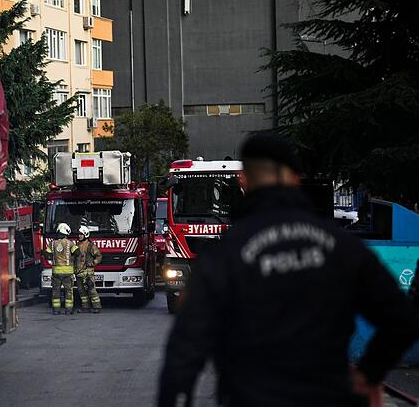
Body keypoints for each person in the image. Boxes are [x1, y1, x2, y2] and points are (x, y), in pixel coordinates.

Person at [158, 133, 419, 407]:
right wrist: (368, 374)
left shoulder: (225, 256)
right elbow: (402, 321)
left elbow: (184, 352)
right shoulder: (342, 248)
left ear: (245, 180)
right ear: (296, 179)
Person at [45, 223, 78, 315]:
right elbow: (77, 253)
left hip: (56, 272)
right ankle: (69, 310)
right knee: (68, 291)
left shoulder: (52, 243)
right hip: (68, 272)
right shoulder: (70, 243)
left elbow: (46, 254)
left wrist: (54, 258)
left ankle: (56, 310)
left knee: (56, 291)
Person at [74, 226, 103, 314]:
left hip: (88, 273)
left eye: (81, 234)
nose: (79, 236)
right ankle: (85, 307)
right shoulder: (76, 245)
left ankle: (97, 307)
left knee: (92, 290)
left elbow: (99, 256)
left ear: (86, 234)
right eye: (79, 234)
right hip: (79, 273)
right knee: (81, 291)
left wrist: (93, 262)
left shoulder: (91, 246)